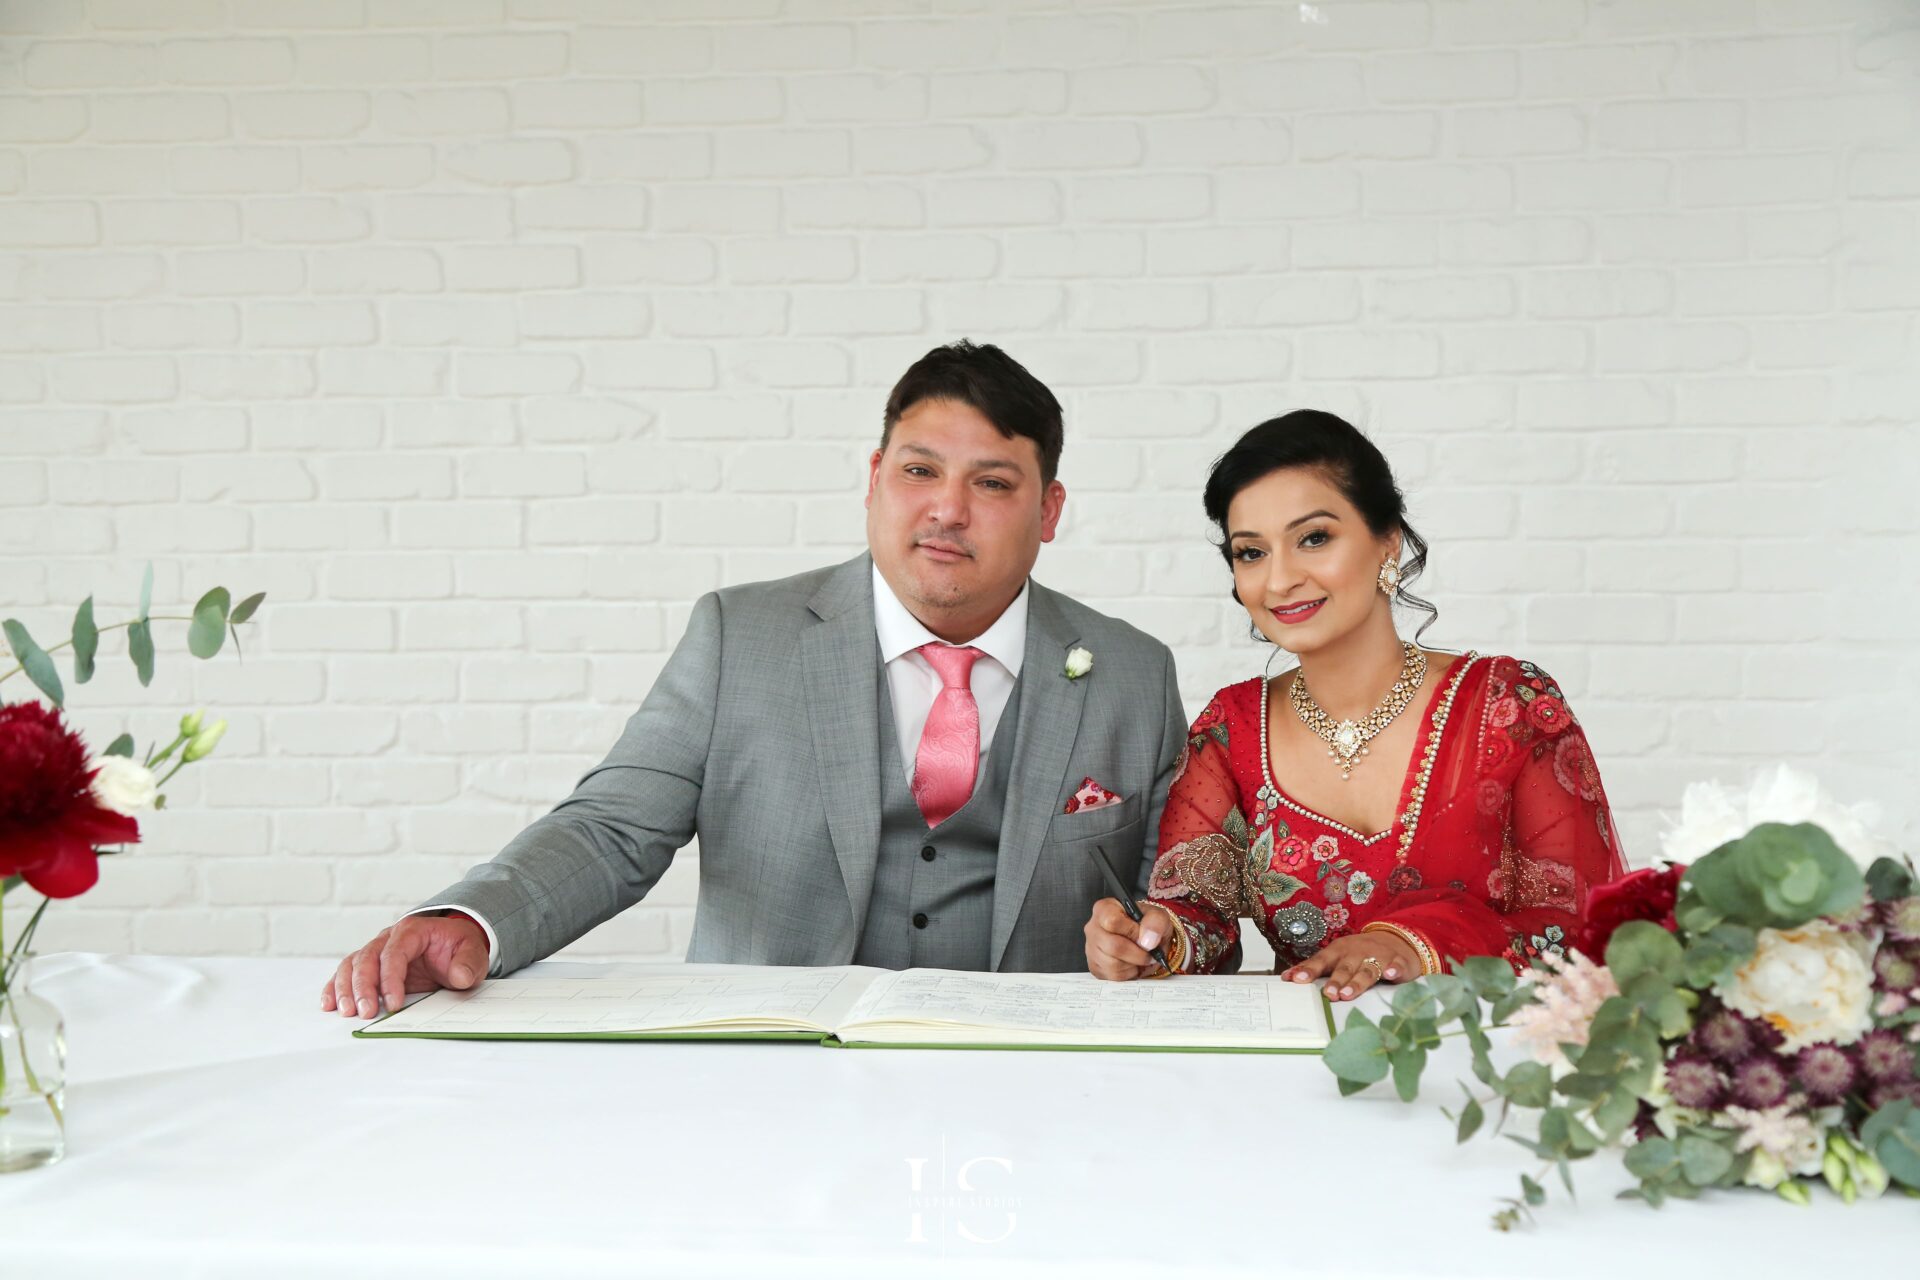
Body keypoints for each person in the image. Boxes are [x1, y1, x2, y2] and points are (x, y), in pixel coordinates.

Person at [325, 341, 1191, 1019]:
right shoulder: (741, 637)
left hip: (1029, 1082)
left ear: (1048, 512)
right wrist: (471, 920)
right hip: (767, 1066)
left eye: (992, 483)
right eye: (919, 471)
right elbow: (612, 829)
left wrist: (1162, 942)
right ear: (873, 480)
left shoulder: (1131, 673)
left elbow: (1175, 906)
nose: (947, 510)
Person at [1084, 410, 1626, 1000]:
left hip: (1492, 1061)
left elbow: (1583, 930)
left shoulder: (1509, 706)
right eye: (1251, 553)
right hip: (1311, 1061)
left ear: (1386, 542)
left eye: (1313, 538)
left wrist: (1413, 945)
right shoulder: (1232, 729)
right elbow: (1198, 916)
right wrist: (1155, 940)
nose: (1280, 579)